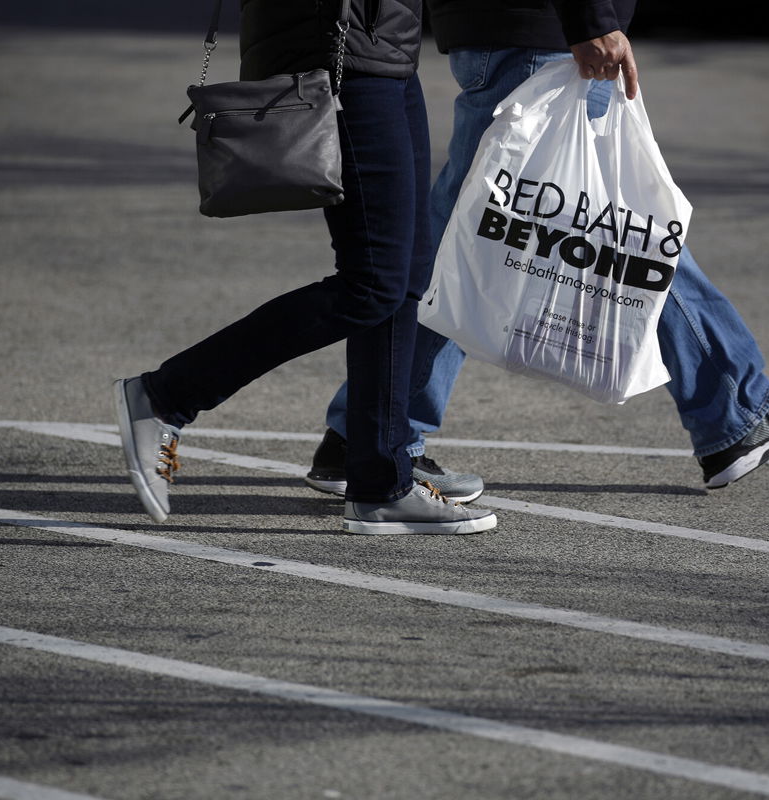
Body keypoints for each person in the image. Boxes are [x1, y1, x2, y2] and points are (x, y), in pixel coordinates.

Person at [303, 0, 769, 499]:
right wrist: (591, 18)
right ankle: (734, 409)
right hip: (543, 34)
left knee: (481, 233)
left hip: (513, 30)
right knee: (618, 232)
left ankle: (367, 431)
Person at [113, 0, 496, 535]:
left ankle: (381, 482)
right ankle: (165, 396)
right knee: (372, 283)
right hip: (339, 44)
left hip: (383, 44)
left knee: (405, 275)